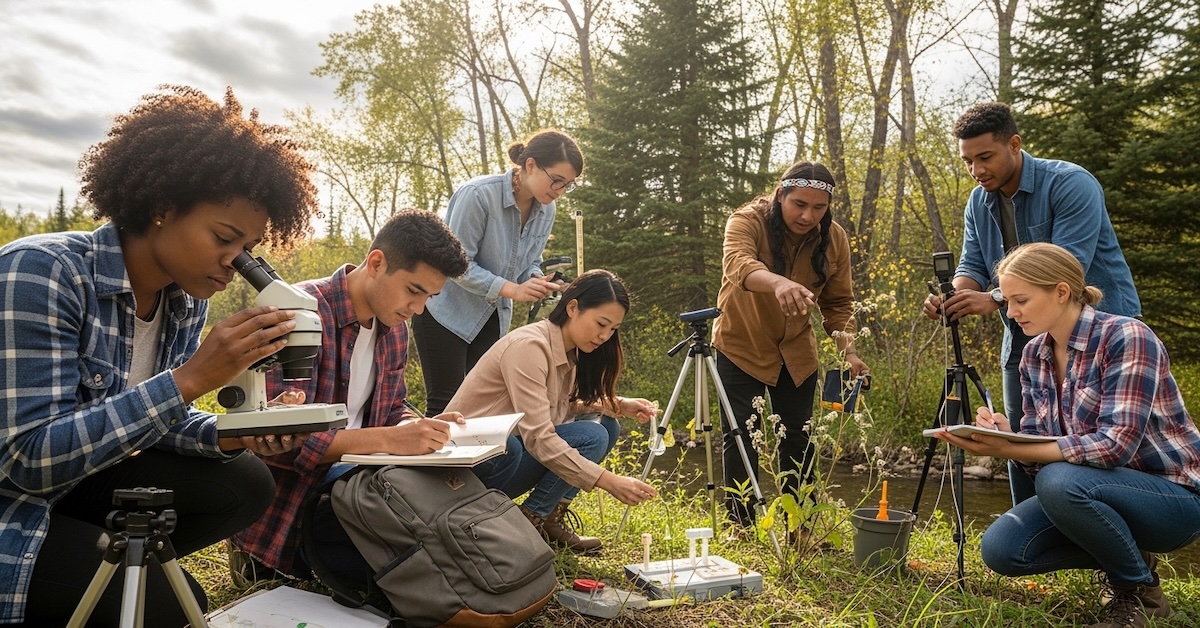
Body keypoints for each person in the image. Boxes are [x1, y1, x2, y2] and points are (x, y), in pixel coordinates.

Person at [0, 85, 322, 626]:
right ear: (161, 207)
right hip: (17, 502)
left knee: (244, 480)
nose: (232, 262)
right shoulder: (41, 273)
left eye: (246, 249)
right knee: (172, 606)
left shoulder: (182, 297)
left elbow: (144, 420)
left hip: (76, 483)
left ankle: (101, 558)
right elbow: (27, 460)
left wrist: (231, 433)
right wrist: (192, 379)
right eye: (224, 237)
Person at [931, 243, 1200, 628]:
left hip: (1174, 498)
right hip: (1096, 491)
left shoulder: (1126, 336)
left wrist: (1010, 447)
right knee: (1003, 550)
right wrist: (1012, 439)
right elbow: (1042, 457)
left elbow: (1114, 446)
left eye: (1020, 300)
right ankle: (1128, 553)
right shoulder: (1033, 355)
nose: (1011, 312)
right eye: (1006, 301)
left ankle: (1141, 594)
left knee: (1061, 480)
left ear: (1060, 291)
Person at [228, 209, 490, 585]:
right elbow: (276, 439)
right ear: (377, 262)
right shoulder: (298, 313)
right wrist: (389, 440)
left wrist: (418, 428)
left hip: (361, 485)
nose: (418, 309)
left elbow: (391, 411)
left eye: (429, 298)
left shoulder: (395, 328)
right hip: (300, 507)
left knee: (484, 473)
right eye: (414, 291)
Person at [922, 101, 1141, 506]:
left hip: (1102, 331)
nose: (977, 170)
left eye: (985, 157)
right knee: (1020, 438)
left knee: (1100, 440)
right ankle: (1035, 543)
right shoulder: (978, 202)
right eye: (968, 161)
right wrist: (953, 295)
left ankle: (1120, 544)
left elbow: (1067, 266)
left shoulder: (1071, 184)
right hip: (1024, 331)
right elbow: (973, 263)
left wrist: (993, 298)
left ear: (1015, 144)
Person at [445, 269, 658, 554]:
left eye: (613, 329)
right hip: (472, 468)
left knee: (607, 426)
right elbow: (539, 437)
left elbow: (557, 407)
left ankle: (546, 519)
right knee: (590, 436)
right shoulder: (530, 347)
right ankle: (528, 520)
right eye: (601, 324)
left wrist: (617, 405)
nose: (605, 336)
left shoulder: (567, 351)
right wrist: (608, 481)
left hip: (507, 453)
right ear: (573, 308)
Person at [713, 161, 869, 531]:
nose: (808, 215)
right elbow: (737, 263)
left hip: (797, 353)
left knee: (800, 440)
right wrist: (779, 283)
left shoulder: (835, 239)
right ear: (780, 194)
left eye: (819, 207)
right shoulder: (747, 220)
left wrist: (849, 351)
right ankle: (742, 527)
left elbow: (839, 304)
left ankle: (801, 526)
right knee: (741, 438)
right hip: (741, 345)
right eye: (799, 204)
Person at [411, 129, 582, 416]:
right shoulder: (477, 195)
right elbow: (456, 265)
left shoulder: (546, 210)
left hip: (492, 317)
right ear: (530, 165)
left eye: (568, 185)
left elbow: (530, 260)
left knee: (482, 411)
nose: (560, 192)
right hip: (445, 315)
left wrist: (534, 279)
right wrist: (513, 290)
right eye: (557, 181)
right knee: (446, 407)